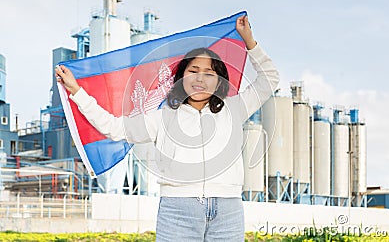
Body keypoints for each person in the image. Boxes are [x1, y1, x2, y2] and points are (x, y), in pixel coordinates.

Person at [56, 15, 279, 242]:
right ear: (181, 77)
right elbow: (114, 127)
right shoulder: (161, 118)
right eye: (193, 71)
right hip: (177, 211)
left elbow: (270, 79)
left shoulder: (235, 108)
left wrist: (249, 40)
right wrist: (77, 91)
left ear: (219, 81)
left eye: (209, 73)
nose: (200, 78)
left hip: (228, 209)